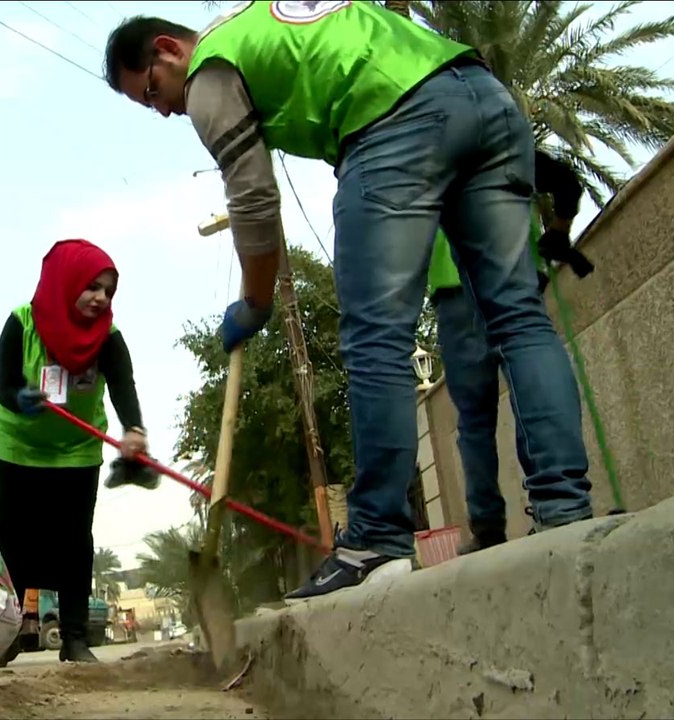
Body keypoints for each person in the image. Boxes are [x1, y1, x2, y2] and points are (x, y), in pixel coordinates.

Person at [102, 2, 594, 600]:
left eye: (151, 92)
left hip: (396, 123)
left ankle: (376, 540)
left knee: (377, 338)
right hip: (483, 97)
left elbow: (254, 201)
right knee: (518, 316)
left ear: (168, 50)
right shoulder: (260, 23)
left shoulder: (209, 70)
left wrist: (255, 303)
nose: (164, 109)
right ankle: (566, 511)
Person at [0, 239, 156, 664]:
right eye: (92, 287)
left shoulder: (109, 337)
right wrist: (17, 398)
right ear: (67, 283)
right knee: (10, 542)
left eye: (108, 291)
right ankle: (3, 636)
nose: (101, 298)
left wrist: (133, 430)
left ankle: (75, 638)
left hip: (77, 453)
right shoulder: (20, 322)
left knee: (74, 544)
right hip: (17, 450)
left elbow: (123, 386)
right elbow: (4, 385)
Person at [428, 149, 595, 555]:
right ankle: (560, 504)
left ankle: (487, 528)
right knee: (528, 367)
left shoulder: (421, 140)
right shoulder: (498, 129)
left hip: (454, 288)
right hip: (518, 271)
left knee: (474, 416)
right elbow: (567, 184)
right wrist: (558, 230)